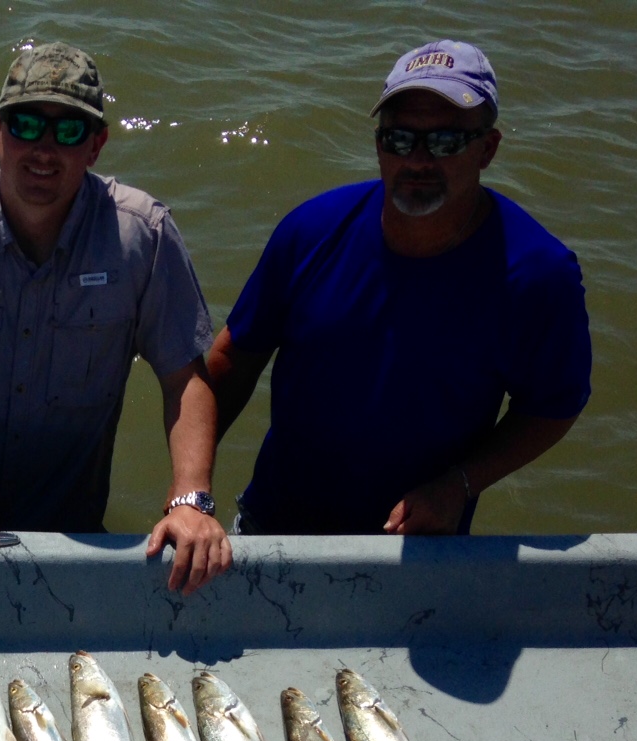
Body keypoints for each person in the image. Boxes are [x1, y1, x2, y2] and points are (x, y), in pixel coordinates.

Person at [0, 42, 231, 594]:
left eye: (68, 132)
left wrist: (191, 501)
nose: (44, 148)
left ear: (96, 145)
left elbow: (185, 379)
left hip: (72, 531)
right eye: (27, 125)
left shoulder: (143, 236)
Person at [208, 40, 592, 535]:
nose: (419, 160)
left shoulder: (540, 274)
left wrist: (460, 485)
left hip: (421, 550)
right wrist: (190, 491)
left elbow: (553, 406)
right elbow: (233, 359)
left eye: (447, 141)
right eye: (401, 140)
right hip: (274, 526)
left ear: (487, 150)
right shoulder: (311, 230)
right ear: (378, 145)